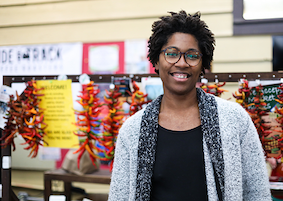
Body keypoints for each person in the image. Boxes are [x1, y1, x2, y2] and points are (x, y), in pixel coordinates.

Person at [108, 11, 271, 201]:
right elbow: (119, 196)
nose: (182, 63)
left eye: (192, 56)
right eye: (171, 54)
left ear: (203, 65)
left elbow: (257, 193)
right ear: (156, 61)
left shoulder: (234, 119)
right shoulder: (132, 130)